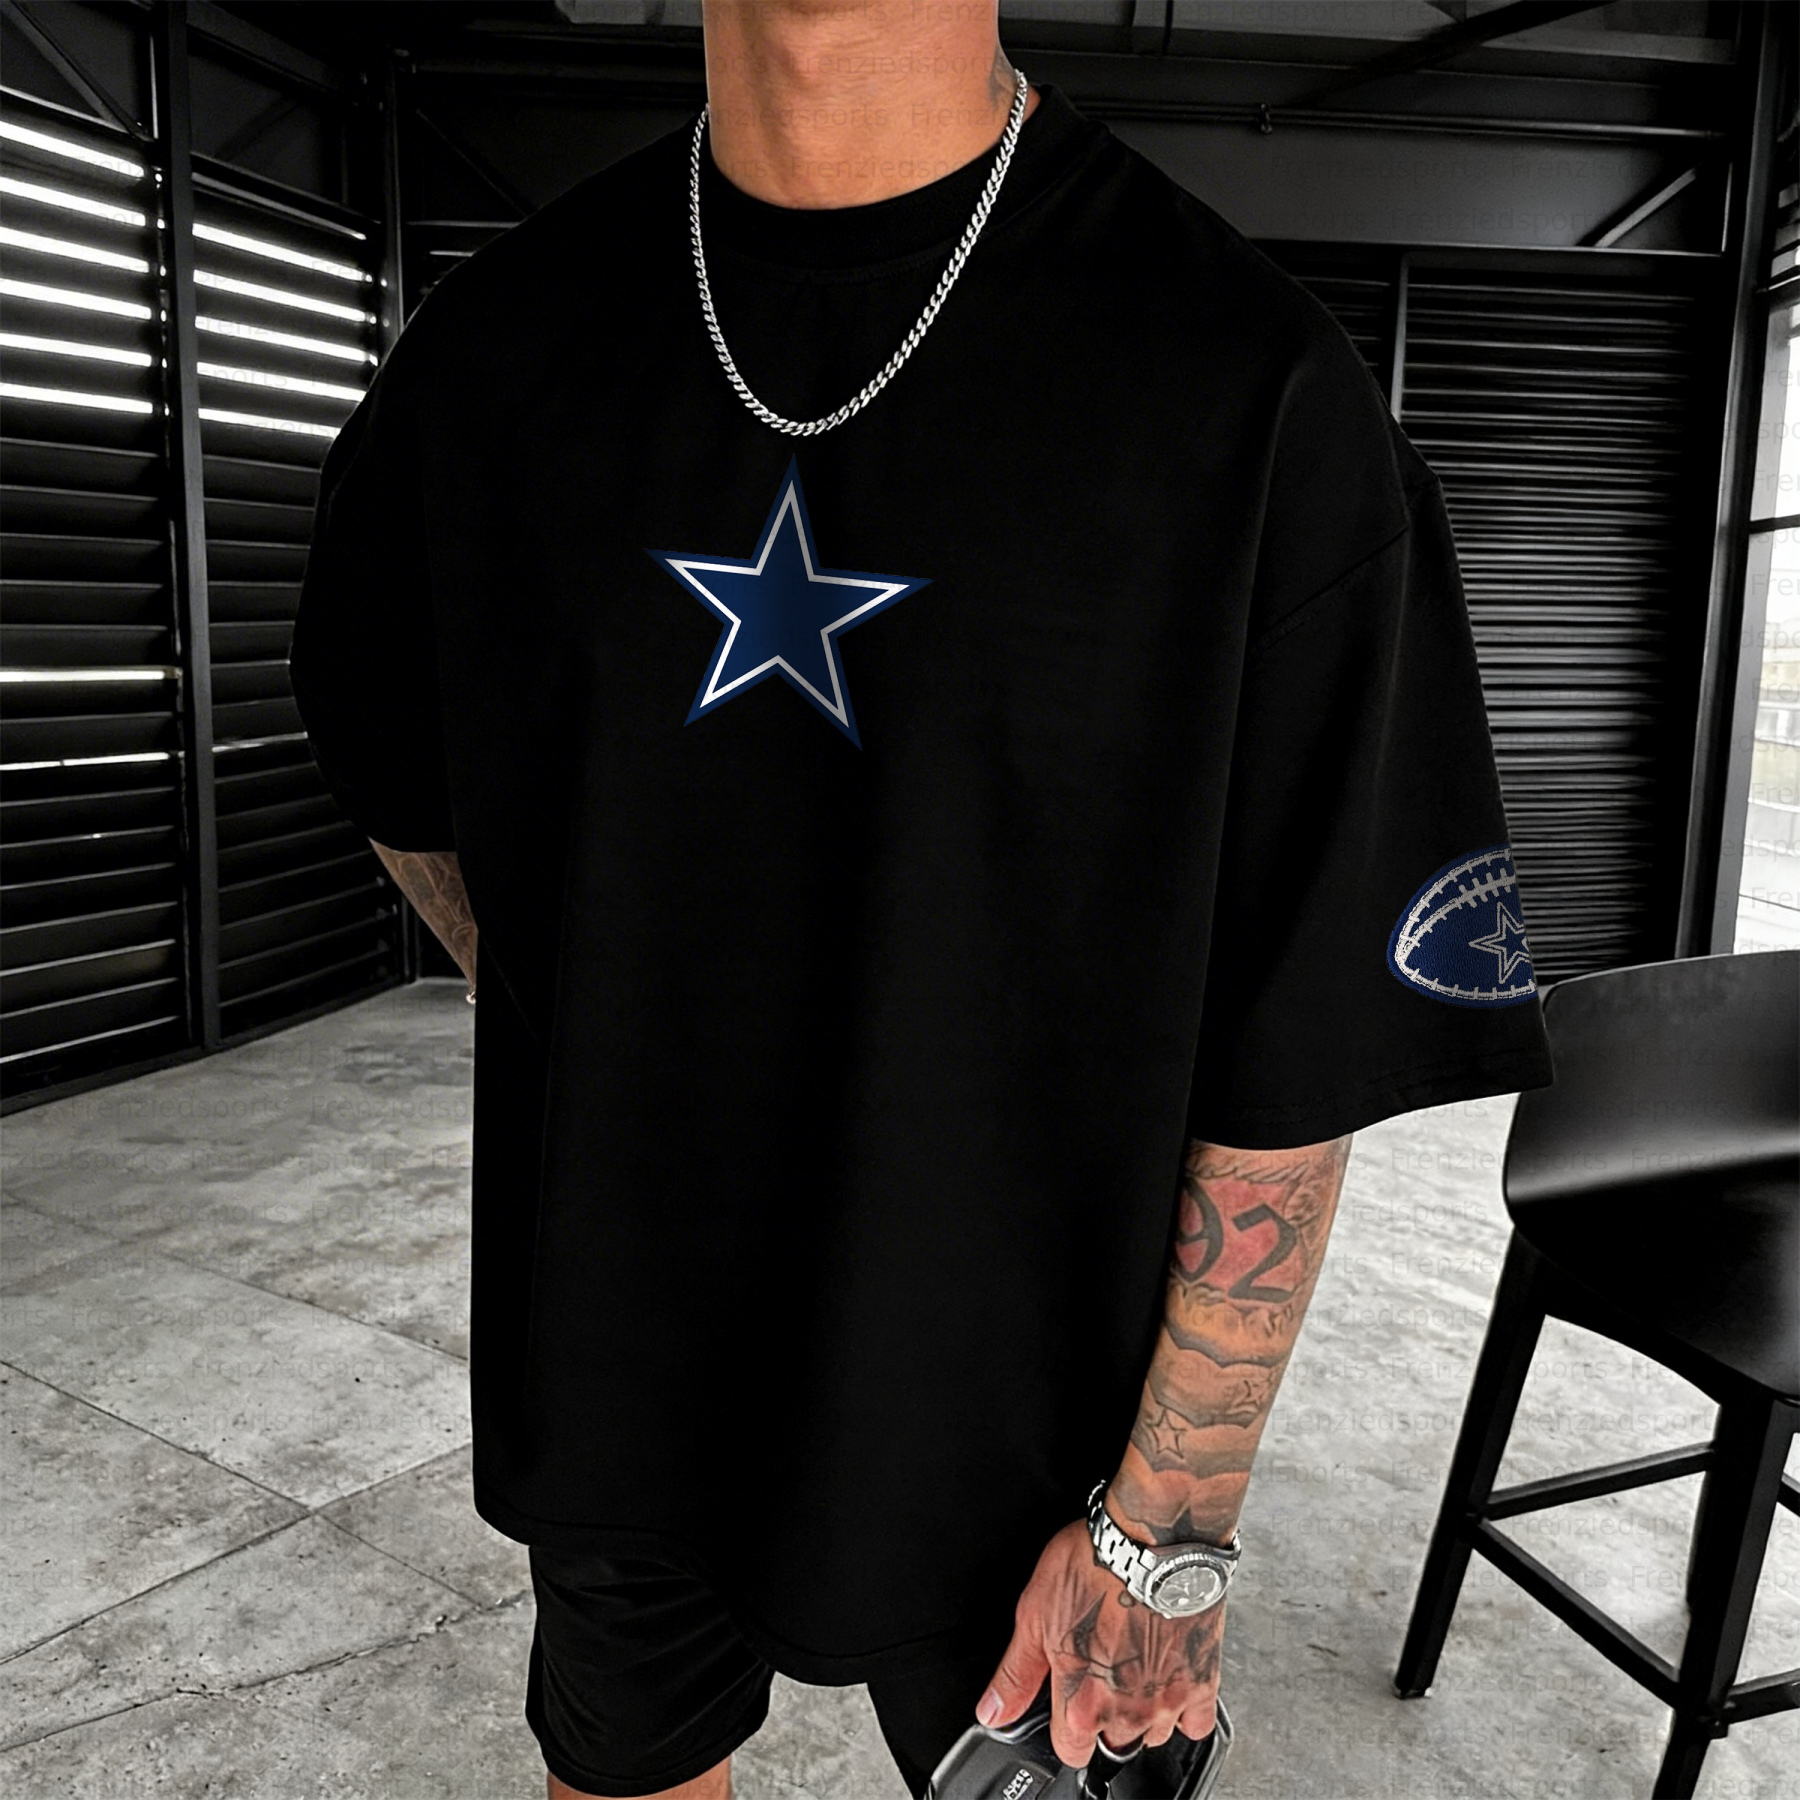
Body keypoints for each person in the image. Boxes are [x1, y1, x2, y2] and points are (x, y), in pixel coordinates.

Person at [288, 3, 1557, 1796]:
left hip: (1045, 1453)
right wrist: (584, 1009)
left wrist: (1167, 1526)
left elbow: (1302, 1026)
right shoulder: (494, 359)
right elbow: (401, 764)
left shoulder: (1248, 387)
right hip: (626, 1374)